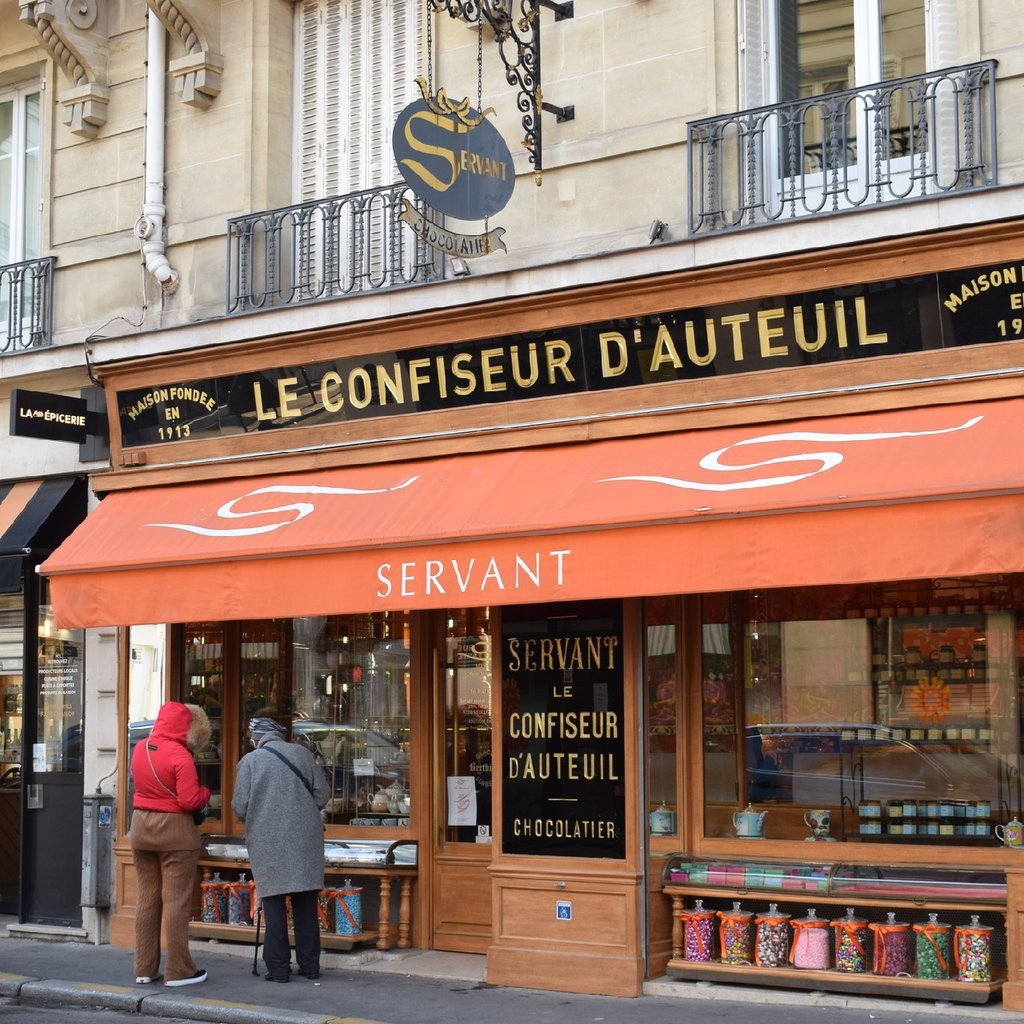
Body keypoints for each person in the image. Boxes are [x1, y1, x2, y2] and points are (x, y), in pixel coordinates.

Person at [232, 716, 330, 982]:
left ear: (256, 739)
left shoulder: (250, 762)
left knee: (273, 903)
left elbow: (239, 807)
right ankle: (310, 967)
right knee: (305, 902)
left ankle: (278, 969)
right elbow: (323, 795)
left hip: (267, 839)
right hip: (305, 838)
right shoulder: (303, 754)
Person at [129, 701, 211, 987]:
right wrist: (205, 793)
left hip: (140, 828)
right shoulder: (181, 755)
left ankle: (144, 968)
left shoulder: (140, 748)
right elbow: (189, 800)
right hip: (175, 832)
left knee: (147, 899)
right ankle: (179, 970)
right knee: (175, 903)